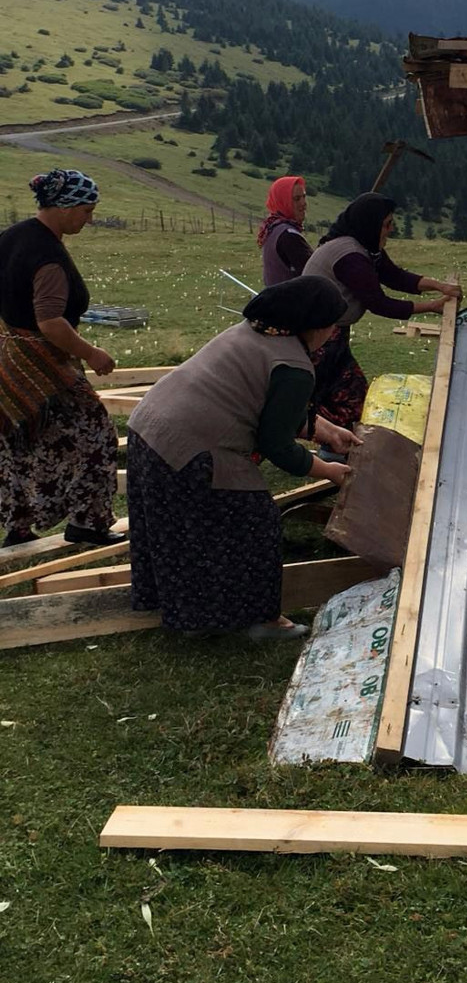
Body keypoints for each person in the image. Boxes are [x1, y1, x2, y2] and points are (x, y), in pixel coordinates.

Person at [126, 275, 357, 641]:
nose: (334, 334)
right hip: (192, 448)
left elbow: (266, 401)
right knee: (256, 524)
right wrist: (327, 470)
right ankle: (261, 621)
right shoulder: (295, 365)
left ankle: (187, 612)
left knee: (176, 527)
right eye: (333, 326)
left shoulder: (256, 332)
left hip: (147, 430)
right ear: (317, 326)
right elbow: (276, 444)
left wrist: (325, 431)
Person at [0, 168, 119, 548]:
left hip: (7, 359)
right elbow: (51, 321)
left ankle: (17, 526)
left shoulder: (11, 237)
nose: (89, 218)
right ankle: (87, 521)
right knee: (96, 433)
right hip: (44, 365)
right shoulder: (47, 254)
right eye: (86, 210)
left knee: (16, 440)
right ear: (65, 208)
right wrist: (93, 353)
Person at [302, 192, 462, 433]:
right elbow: (379, 303)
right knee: (320, 395)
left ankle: (334, 446)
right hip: (317, 337)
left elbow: (394, 276)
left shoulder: (365, 247)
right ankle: (304, 438)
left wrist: (438, 286)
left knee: (352, 394)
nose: (390, 230)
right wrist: (432, 307)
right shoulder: (352, 257)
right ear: (371, 225)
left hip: (332, 333)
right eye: (386, 224)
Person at [258, 176, 312, 286]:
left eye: (304, 197)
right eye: (296, 199)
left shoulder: (272, 228)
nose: (303, 203)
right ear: (283, 201)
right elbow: (315, 273)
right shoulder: (289, 237)